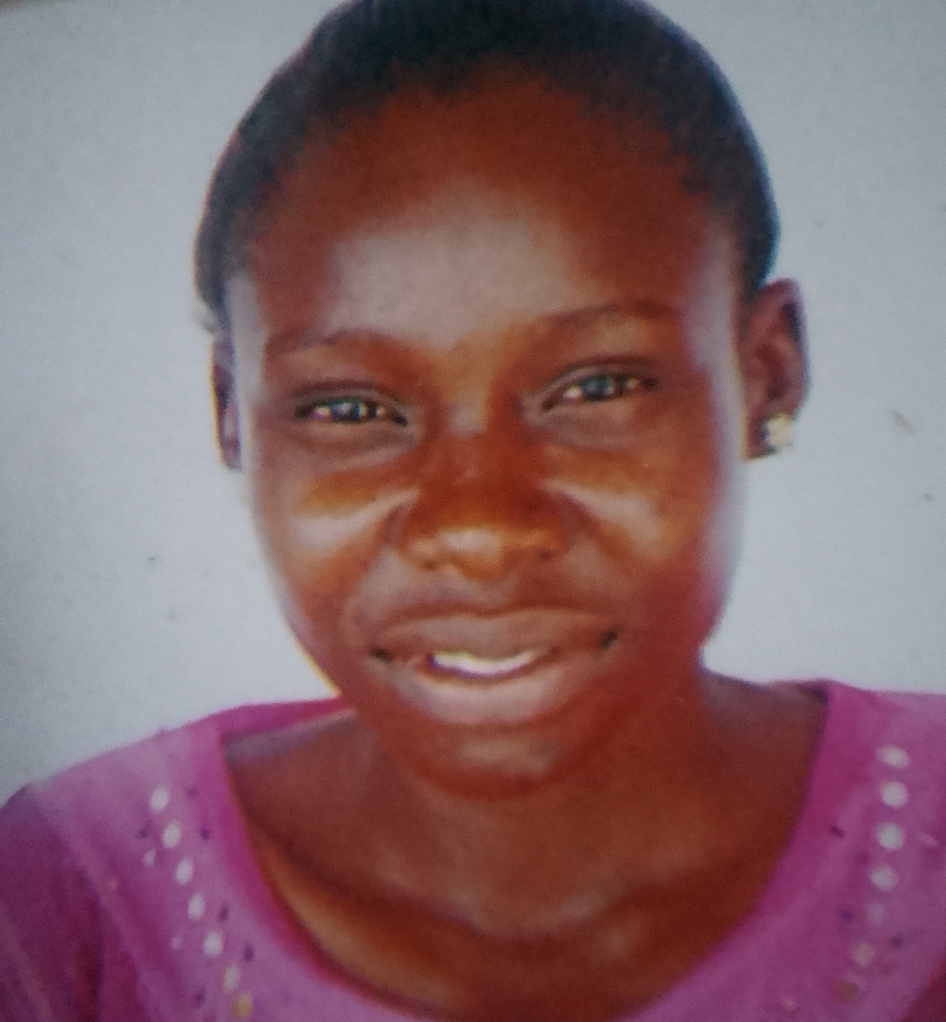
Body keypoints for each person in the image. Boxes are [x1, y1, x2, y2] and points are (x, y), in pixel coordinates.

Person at [2, 0, 945, 1019]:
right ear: (232, 415)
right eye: (350, 409)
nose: (480, 532)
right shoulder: (76, 902)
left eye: (596, 387)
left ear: (767, 371)